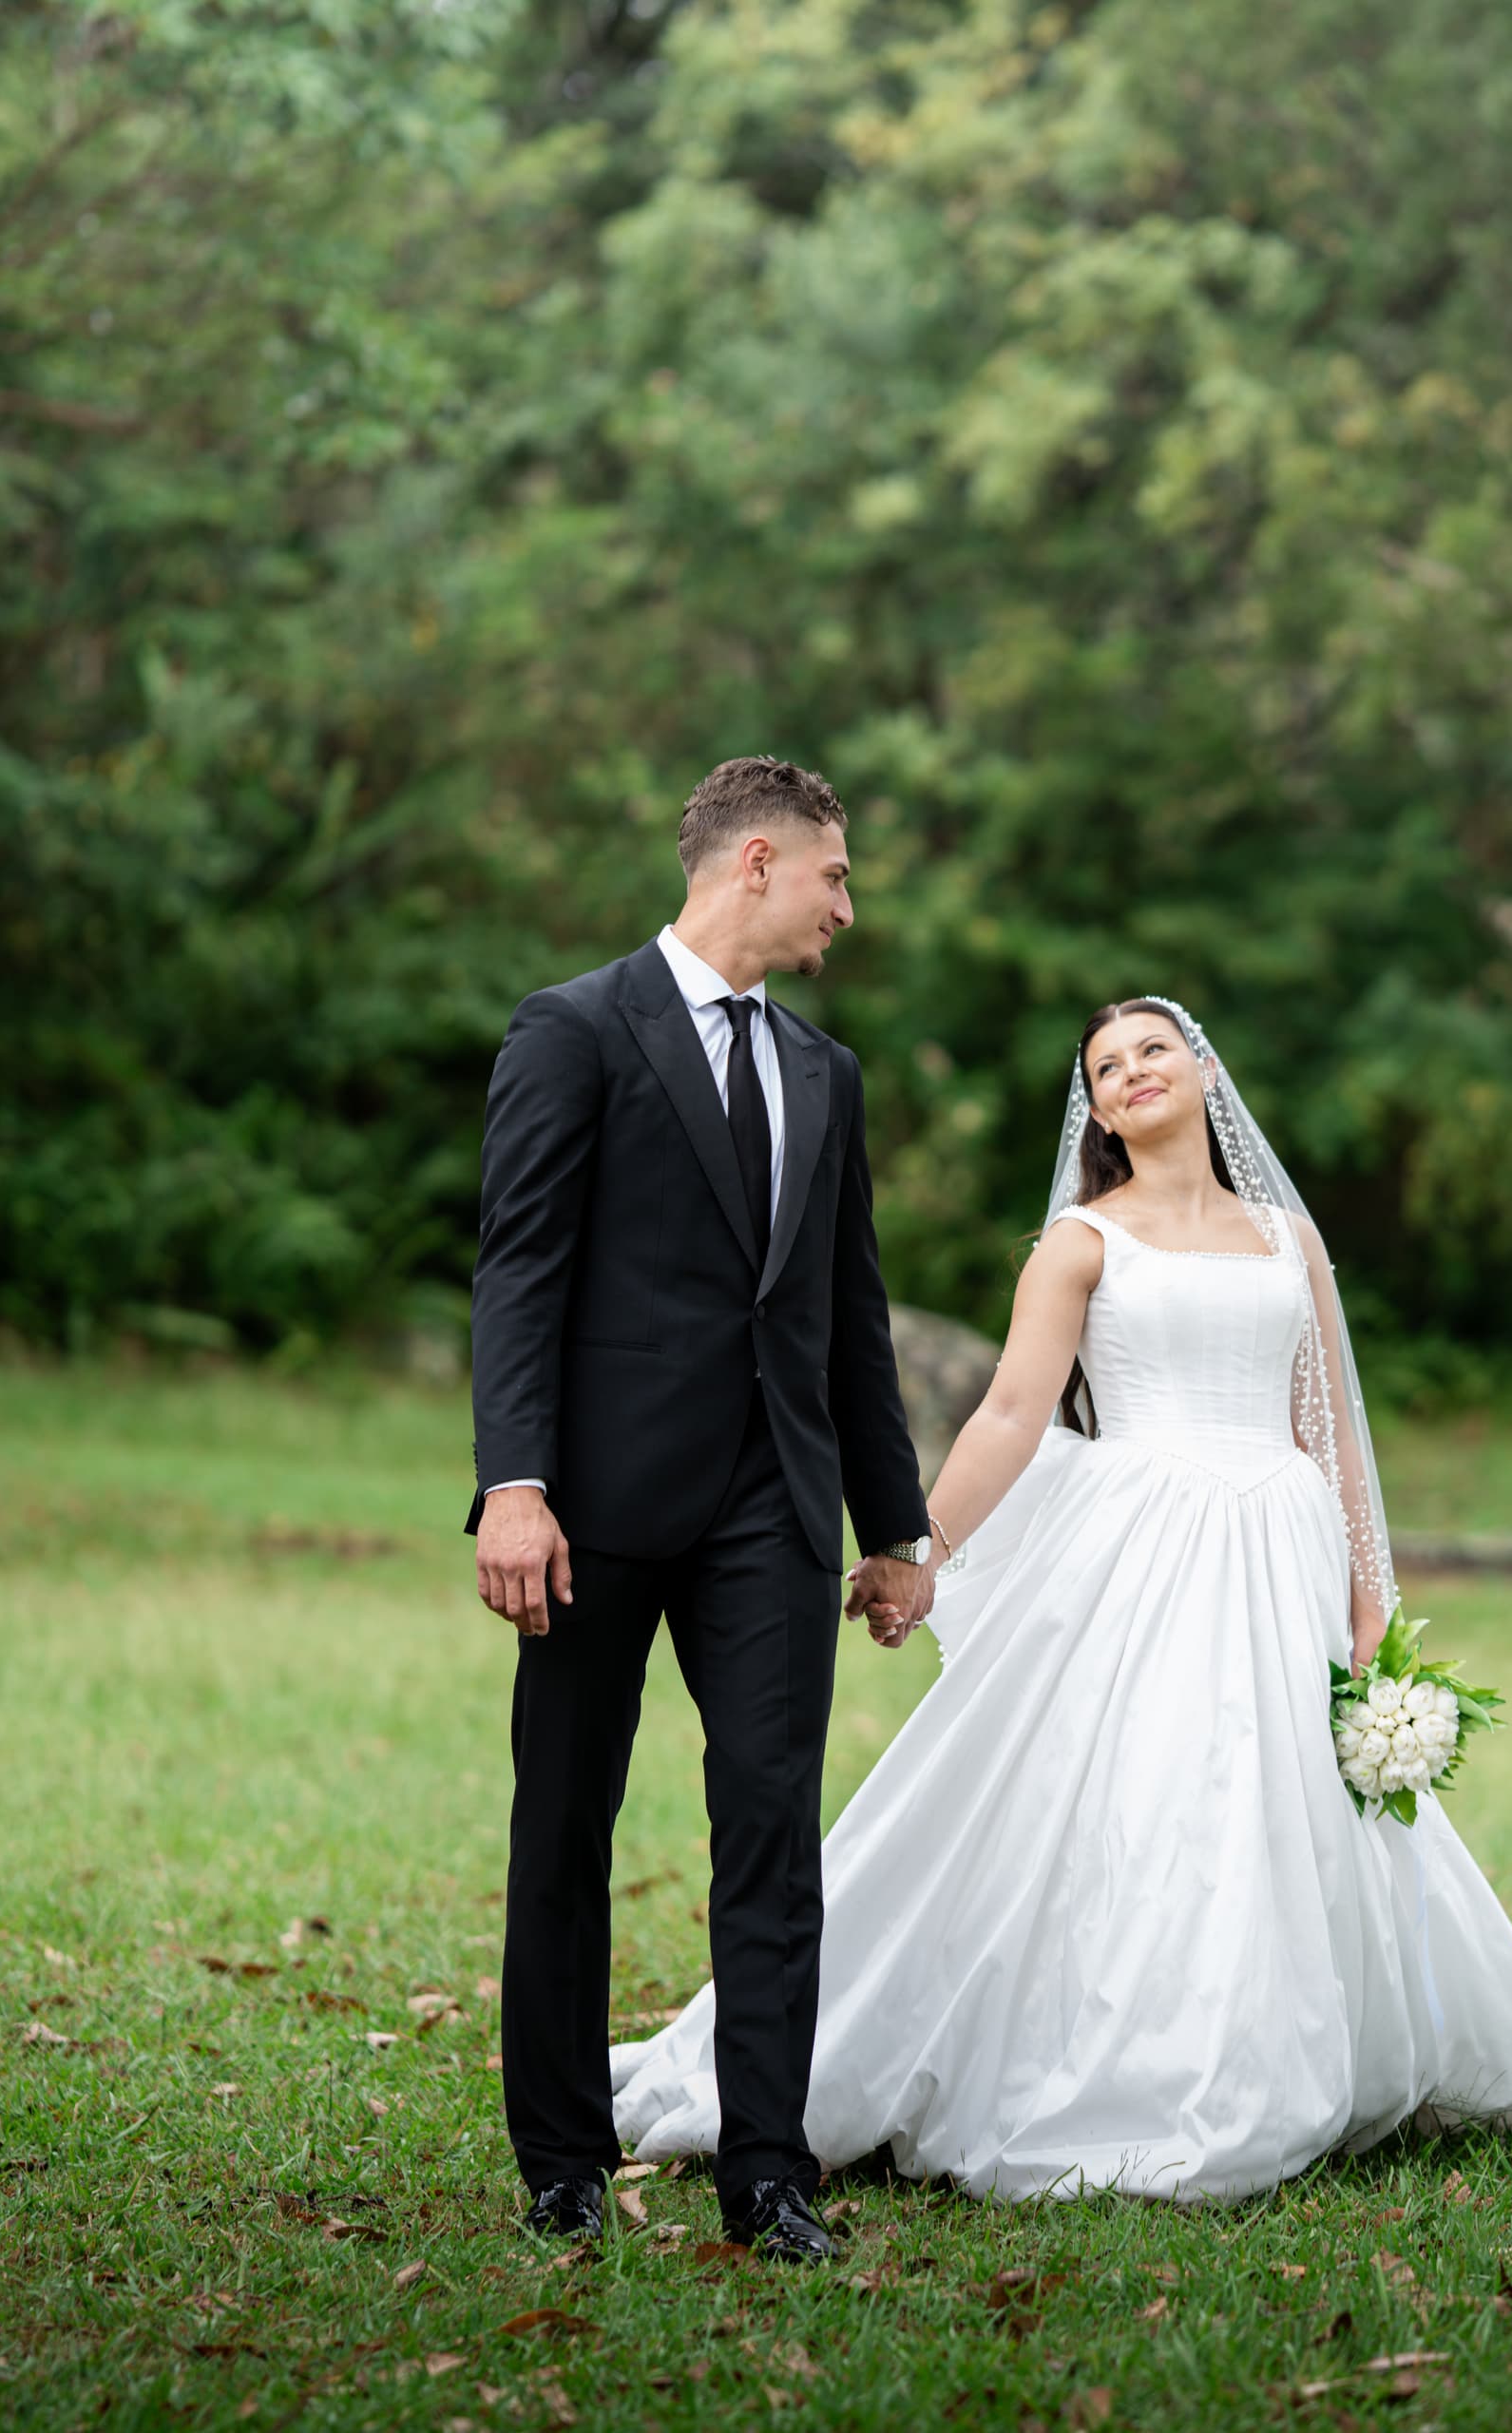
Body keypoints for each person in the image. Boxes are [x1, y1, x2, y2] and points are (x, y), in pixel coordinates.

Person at [610, 996, 1512, 2201]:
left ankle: (1295, 2045)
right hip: (1144, 1551)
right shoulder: (1082, 1242)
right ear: (1098, 1112)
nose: (1132, 1071)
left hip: (1281, 1544)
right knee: (1154, 1795)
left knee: (1280, 1796)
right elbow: (1010, 1413)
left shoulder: (1288, 1238)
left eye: (1153, 1050)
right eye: (1106, 1067)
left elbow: (1332, 1429)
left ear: (1203, 1072)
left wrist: (1370, 1604)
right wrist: (919, 1549)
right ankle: (1128, 2062)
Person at [464, 756, 935, 2261]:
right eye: (835, 876)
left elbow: (848, 1315)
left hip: (771, 1512)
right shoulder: (575, 1028)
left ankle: (770, 2176)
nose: (846, 908)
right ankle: (561, 2162)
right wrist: (514, 1485)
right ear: (756, 862)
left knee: (773, 1838)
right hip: (591, 1510)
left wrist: (894, 1529)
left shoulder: (826, 1074)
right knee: (565, 1826)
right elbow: (521, 1271)